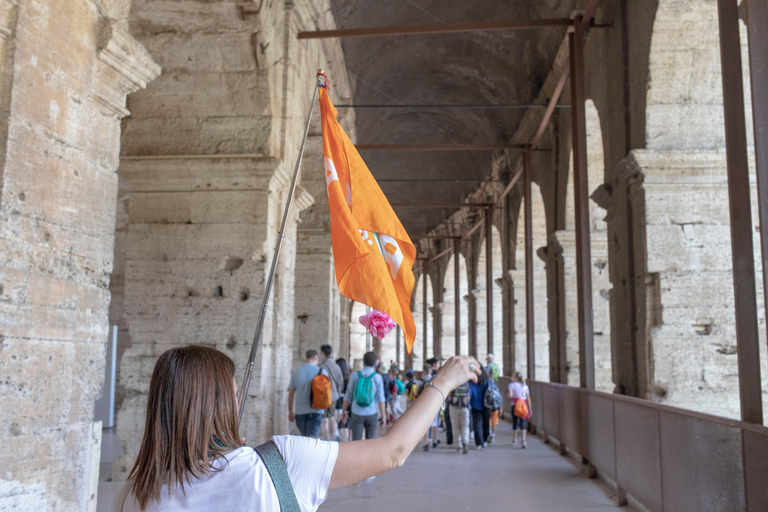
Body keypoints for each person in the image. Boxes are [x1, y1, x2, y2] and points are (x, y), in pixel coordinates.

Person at [114, 345, 481, 512]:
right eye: (234, 393)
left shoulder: (135, 496)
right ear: (222, 403)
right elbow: (392, 451)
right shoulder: (281, 464)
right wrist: (442, 383)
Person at [341, 351, 386, 441]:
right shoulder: (377, 377)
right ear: (375, 363)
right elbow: (381, 398)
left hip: (356, 412)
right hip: (372, 412)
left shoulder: (355, 375)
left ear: (363, 362)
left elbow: (348, 395)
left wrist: (344, 411)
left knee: (356, 440)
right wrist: (383, 415)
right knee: (370, 441)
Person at [288, 349, 328, 437]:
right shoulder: (321, 372)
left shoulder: (296, 373)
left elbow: (291, 394)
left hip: (300, 411)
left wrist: (290, 411)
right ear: (316, 358)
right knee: (311, 439)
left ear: (306, 358)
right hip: (316, 410)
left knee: (304, 437)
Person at [318, 345, 345, 442]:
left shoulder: (320, 366)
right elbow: (340, 382)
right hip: (334, 397)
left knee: (324, 420)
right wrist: (337, 393)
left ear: (323, 354)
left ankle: (327, 440)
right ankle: (336, 434)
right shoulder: (336, 366)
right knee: (331, 416)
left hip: (323, 397)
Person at [508, 371, 532, 448]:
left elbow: (510, 395)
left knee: (515, 422)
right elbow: (528, 398)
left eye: (512, 376)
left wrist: (508, 392)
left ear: (515, 378)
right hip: (523, 406)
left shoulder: (511, 385)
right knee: (523, 423)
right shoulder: (525, 386)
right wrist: (530, 409)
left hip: (515, 406)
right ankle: (523, 440)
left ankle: (514, 440)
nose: (511, 378)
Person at [469, 367, 490, 450]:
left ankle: (479, 443)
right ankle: (485, 440)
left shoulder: (471, 381)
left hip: (475, 404)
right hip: (487, 404)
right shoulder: (486, 380)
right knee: (486, 423)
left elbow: (469, 392)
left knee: (477, 424)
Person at [447, 381, 471, 454]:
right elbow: (469, 395)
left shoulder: (454, 382)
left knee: (455, 427)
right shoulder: (466, 383)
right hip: (465, 407)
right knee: (465, 426)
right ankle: (465, 441)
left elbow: (449, 395)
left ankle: (458, 445)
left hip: (454, 407)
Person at [485, 353, 501, 444]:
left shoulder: (488, 366)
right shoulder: (497, 365)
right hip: (495, 386)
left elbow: (486, 374)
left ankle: (489, 433)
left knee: (488, 417)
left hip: (488, 398)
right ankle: (493, 434)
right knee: (494, 418)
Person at [336, 357, 351, 442]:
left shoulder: (337, 375)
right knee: (344, 421)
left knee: (338, 419)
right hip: (346, 400)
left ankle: (339, 436)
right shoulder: (348, 376)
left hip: (338, 399)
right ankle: (345, 438)